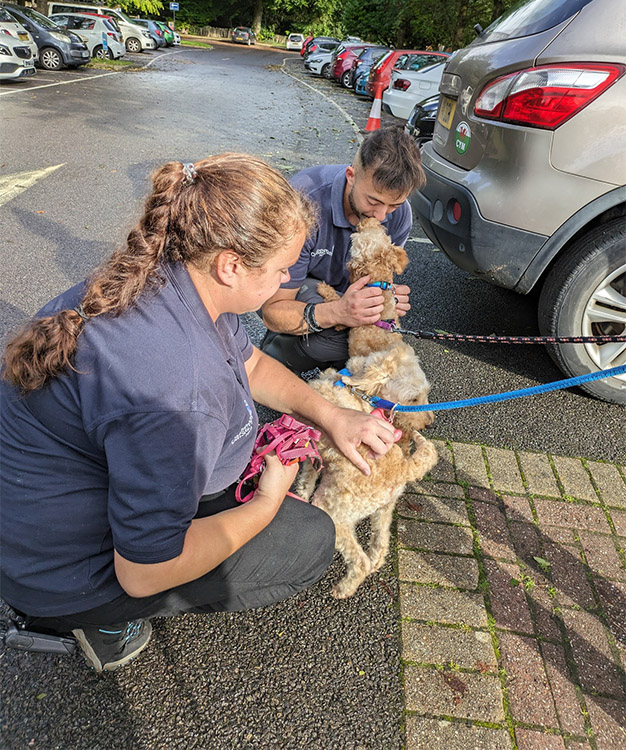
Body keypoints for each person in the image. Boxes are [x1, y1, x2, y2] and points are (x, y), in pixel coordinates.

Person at [0, 154, 399, 673]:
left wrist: (331, 415)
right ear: (231, 264)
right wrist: (265, 500)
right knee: (309, 539)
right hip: (59, 570)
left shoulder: (170, 274)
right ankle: (93, 620)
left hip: (42, 505)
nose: (287, 279)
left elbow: (251, 363)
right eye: (281, 270)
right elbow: (144, 571)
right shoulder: (177, 391)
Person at [259, 124, 425, 375]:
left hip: (345, 295)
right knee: (332, 341)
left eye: (393, 205)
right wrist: (338, 312)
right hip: (297, 290)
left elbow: (379, 278)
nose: (381, 216)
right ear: (351, 175)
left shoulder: (401, 215)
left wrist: (388, 296)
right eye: (373, 201)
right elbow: (273, 310)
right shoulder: (303, 203)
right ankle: (273, 359)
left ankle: (340, 368)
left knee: (380, 344)